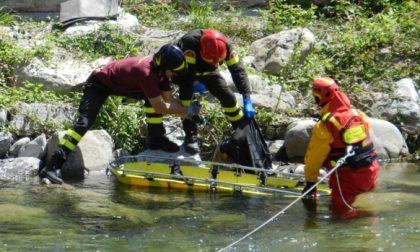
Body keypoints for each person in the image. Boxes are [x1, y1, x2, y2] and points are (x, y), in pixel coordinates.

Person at [40, 44, 201, 184]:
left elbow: (169, 100)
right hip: (99, 83)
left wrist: (190, 113)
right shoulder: (146, 72)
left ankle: (157, 139)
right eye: (174, 72)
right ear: (164, 66)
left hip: (123, 84)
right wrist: (186, 112)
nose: (175, 75)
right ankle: (53, 166)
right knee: (84, 123)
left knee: (153, 96)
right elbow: (160, 107)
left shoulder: (160, 72)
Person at [302, 77, 379, 219]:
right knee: (367, 212)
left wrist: (310, 182)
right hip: (371, 169)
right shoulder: (359, 114)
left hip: (348, 176)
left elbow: (314, 157)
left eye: (315, 95)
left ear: (321, 95)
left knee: (342, 215)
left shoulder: (326, 124)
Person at [172, 28, 255, 154]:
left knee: (229, 98)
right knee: (186, 99)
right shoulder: (189, 43)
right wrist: (195, 83)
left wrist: (247, 97)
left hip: (210, 71)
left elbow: (238, 71)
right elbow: (185, 72)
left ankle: (240, 132)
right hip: (186, 70)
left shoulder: (226, 46)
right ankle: (191, 135)